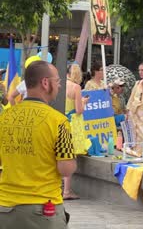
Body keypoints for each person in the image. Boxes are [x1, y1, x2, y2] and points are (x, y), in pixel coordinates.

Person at [0, 60, 76, 229]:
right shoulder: (59, 122)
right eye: (57, 81)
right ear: (45, 82)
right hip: (42, 210)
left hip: (5, 208)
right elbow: (66, 169)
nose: (59, 86)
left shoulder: (4, 118)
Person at [63, 64, 89, 200]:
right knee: (70, 156)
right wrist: (84, 102)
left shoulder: (61, 84)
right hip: (72, 124)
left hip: (60, 121)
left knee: (60, 154)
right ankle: (67, 191)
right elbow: (79, 110)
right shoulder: (76, 87)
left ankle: (60, 188)